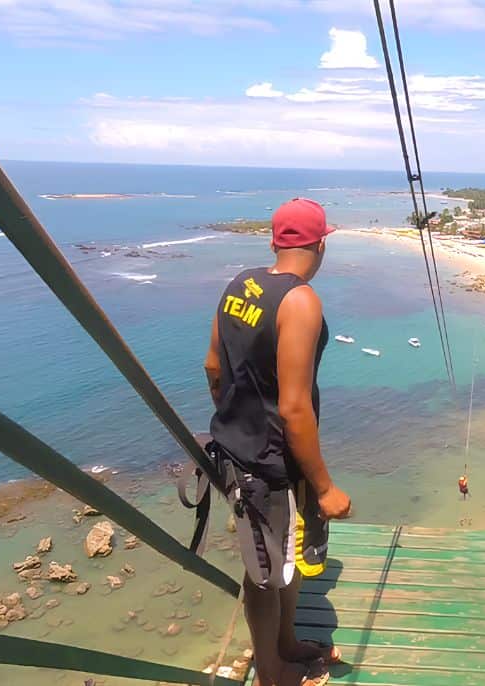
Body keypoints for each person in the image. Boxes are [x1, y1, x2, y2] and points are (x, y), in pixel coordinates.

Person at [205, 198, 351, 686]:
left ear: (274, 241)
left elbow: (213, 367)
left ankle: (286, 644)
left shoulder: (238, 285)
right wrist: (326, 488)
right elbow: (293, 408)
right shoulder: (301, 300)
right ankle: (270, 672)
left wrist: (236, 415)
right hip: (265, 464)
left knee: (282, 558)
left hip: (238, 450)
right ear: (322, 244)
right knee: (265, 573)